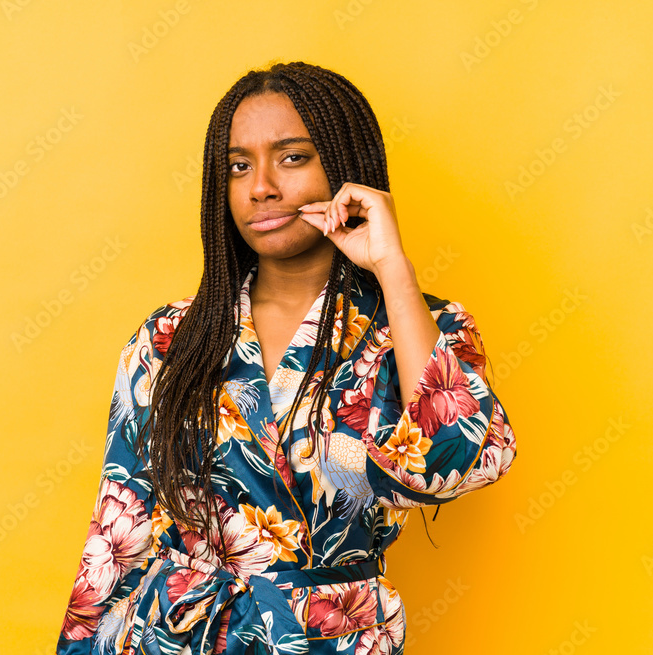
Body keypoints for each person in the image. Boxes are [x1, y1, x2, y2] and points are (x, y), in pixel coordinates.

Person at [55, 60, 517, 655]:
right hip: (174, 636)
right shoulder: (171, 338)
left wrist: (392, 268)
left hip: (331, 637)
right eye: (239, 166)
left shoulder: (422, 329)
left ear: (344, 172)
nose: (261, 187)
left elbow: (466, 461)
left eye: (293, 158)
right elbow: (116, 537)